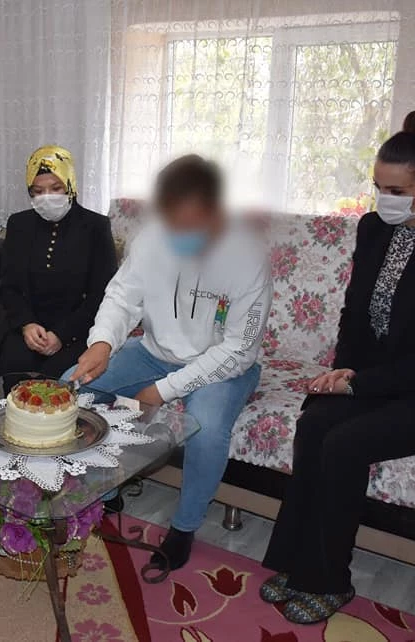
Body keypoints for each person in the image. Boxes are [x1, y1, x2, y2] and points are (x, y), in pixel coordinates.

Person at [259, 109, 415, 624]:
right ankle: (297, 564)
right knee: (314, 421)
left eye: (395, 190)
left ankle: (329, 580)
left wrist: (359, 384)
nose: (382, 199)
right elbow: (354, 313)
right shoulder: (372, 229)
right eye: (378, 187)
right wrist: (343, 372)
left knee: (345, 442)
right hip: (376, 379)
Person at [69, 154, 271, 571]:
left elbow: (239, 349)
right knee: (72, 389)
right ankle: (106, 490)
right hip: (152, 352)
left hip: (221, 366)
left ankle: (184, 527)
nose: (177, 233)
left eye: (189, 223)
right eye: (170, 221)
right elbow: (122, 297)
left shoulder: (248, 256)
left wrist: (163, 391)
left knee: (207, 429)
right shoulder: (152, 239)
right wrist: (102, 342)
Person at [0, 145, 117, 380]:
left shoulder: (95, 226)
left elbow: (101, 295)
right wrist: (26, 324)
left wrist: (62, 335)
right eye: (38, 191)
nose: (47, 197)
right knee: (11, 376)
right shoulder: (19, 224)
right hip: (28, 328)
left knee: (56, 384)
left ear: (71, 186)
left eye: (56, 188)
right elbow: (9, 286)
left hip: (77, 330)